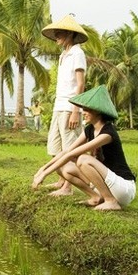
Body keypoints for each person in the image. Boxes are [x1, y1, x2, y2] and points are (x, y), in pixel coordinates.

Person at [32, 85, 136, 211]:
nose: (83, 112)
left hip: (123, 187)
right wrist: (42, 169)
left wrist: (44, 175)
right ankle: (95, 197)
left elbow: (72, 154)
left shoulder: (108, 133)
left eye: (86, 109)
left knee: (83, 159)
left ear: (97, 111)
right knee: (64, 169)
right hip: (107, 183)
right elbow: (67, 151)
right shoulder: (89, 129)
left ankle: (111, 201)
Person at [41, 14, 89, 196]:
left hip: (70, 107)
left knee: (70, 150)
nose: (57, 37)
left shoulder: (77, 53)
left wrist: (76, 110)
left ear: (69, 34)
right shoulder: (64, 55)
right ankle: (62, 181)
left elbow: (80, 84)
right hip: (58, 107)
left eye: (60, 33)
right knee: (55, 148)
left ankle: (67, 188)